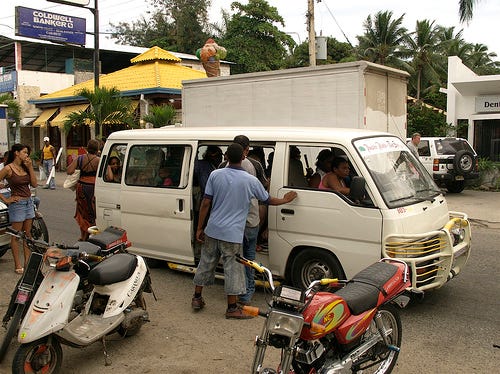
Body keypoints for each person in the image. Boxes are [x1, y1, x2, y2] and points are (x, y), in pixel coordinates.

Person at [192, 143, 297, 319]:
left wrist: (200, 227)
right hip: (232, 234)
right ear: (243, 157)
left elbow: (205, 202)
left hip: (213, 229)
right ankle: (232, 308)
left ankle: (197, 297)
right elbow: (267, 200)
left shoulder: (215, 175)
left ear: (225, 156)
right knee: (233, 268)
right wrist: (285, 199)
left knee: (206, 262)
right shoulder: (251, 180)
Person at [0, 144, 37, 274]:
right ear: (16, 153)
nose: (27, 155)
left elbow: (34, 184)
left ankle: (27, 263)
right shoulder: (8, 169)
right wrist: (6, 200)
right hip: (17, 204)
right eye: (25, 152)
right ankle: (17, 265)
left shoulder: (25, 167)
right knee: (16, 235)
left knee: (28, 235)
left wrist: (30, 167)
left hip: (28, 202)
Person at [67, 139, 100, 241]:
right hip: (93, 187)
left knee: (82, 212)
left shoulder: (80, 158)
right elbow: (108, 175)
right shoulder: (98, 160)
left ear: (87, 148)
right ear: (97, 149)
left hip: (81, 187)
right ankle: (92, 233)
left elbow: (69, 171)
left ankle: (83, 235)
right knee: (93, 212)